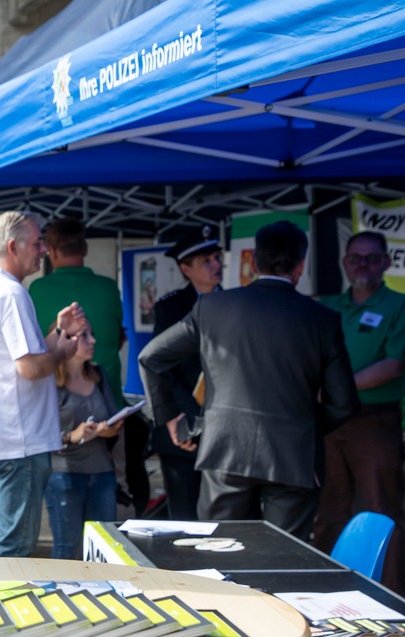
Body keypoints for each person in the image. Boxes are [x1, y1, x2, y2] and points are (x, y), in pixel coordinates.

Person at [139, 220, 358, 536]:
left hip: (225, 448)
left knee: (218, 551)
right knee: (282, 558)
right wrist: (301, 427)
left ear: (253, 262)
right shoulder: (322, 319)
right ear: (301, 265)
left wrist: (169, 417)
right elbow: (344, 404)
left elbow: (150, 358)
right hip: (292, 455)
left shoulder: (212, 307)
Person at [0, 210, 85, 558]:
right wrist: (63, 350)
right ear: (14, 247)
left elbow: (19, 357)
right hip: (19, 441)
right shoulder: (11, 295)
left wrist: (57, 334)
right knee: (14, 544)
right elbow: (30, 368)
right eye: (37, 243)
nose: (44, 249)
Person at [313, 231, 405, 595]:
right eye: (355, 257)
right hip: (328, 420)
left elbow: (394, 365)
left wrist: (340, 386)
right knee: (329, 512)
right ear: (344, 262)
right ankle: (322, 595)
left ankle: (390, 599)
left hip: (374, 421)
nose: (363, 265)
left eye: (372, 258)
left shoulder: (403, 305)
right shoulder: (327, 305)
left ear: (387, 262)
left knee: (380, 510)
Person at [27, 218, 147, 514]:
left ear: (51, 252)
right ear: (85, 248)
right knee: (113, 493)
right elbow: (118, 336)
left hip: (57, 406)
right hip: (109, 407)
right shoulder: (108, 287)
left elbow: (35, 346)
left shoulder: (38, 289)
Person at [150, 226, 224, 520]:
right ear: (185, 268)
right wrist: (188, 416)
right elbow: (161, 366)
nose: (216, 265)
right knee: (185, 516)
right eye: (206, 261)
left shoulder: (235, 303)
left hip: (225, 427)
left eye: (216, 257)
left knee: (225, 518)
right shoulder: (170, 308)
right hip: (183, 426)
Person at [48, 321, 123, 559]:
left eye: (92, 334)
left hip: (102, 473)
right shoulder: (49, 382)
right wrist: (72, 435)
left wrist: (108, 429)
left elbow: (113, 419)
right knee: (67, 548)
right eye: (83, 336)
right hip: (64, 475)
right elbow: (38, 434)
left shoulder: (98, 374)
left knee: (105, 548)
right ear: (65, 341)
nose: (93, 341)